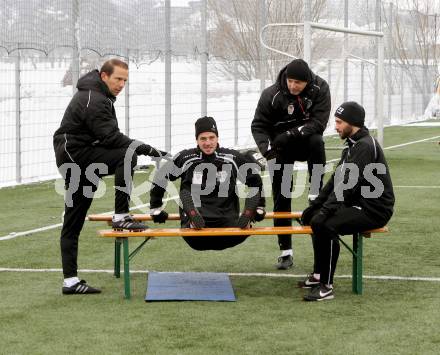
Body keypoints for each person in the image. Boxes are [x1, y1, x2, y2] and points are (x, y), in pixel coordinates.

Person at [53, 59, 168, 295]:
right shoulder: (93, 99)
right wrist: (147, 149)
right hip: (75, 157)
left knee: (73, 220)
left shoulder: (98, 95)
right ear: (104, 76)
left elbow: (105, 137)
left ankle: (70, 282)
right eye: (118, 79)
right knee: (126, 156)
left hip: (82, 157)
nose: (121, 84)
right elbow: (111, 138)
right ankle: (121, 216)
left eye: (125, 80)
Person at [299, 101, 395, 301]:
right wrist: (317, 205)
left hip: (374, 209)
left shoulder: (365, 146)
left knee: (326, 224)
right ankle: (318, 275)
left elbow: (347, 185)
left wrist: (325, 212)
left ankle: (326, 287)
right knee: (315, 217)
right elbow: (336, 180)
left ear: (353, 123)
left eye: (340, 122)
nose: (336, 126)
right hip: (358, 204)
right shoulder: (353, 145)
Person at [252, 58, 331, 270]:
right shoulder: (271, 94)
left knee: (317, 141)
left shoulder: (320, 88)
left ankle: (315, 191)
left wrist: (291, 133)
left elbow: (319, 123)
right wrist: (267, 150)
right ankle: (285, 251)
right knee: (282, 196)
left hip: (305, 141)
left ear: (307, 82)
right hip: (279, 150)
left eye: (299, 83)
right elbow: (258, 125)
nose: (293, 86)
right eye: (290, 81)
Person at [150, 116, 266, 251]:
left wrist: (259, 207)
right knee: (188, 198)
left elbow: (254, 180)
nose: (208, 143)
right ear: (197, 140)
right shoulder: (185, 158)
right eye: (203, 139)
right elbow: (161, 177)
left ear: (217, 138)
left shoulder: (232, 158)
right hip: (201, 230)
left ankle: (246, 219)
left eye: (211, 137)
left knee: (237, 229)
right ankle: (194, 219)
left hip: (226, 225)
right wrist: (155, 207)